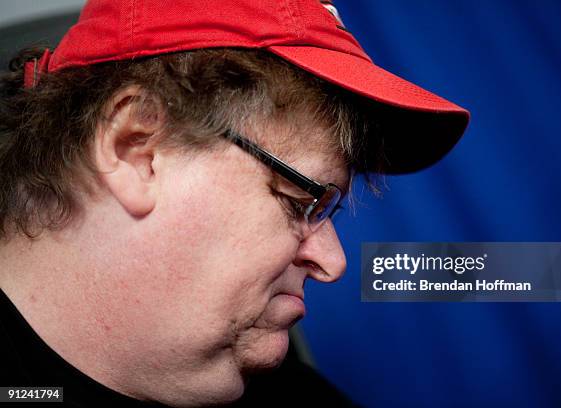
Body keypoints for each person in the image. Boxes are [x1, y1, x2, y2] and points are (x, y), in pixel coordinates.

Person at [0, 0, 469, 406]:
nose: (333, 262)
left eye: (325, 212)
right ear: (135, 149)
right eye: (298, 201)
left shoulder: (285, 395)